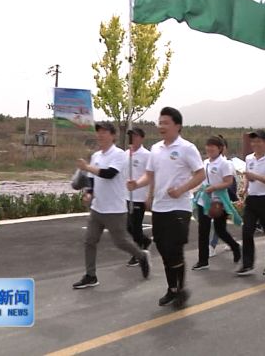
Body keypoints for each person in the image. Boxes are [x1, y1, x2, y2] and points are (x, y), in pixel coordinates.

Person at [128, 107, 205, 308]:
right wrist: (139, 185)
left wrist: (181, 189)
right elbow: (150, 175)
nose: (161, 126)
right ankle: (172, 289)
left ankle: (180, 290)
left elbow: (200, 174)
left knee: (174, 248)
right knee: (163, 248)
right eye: (159, 122)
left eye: (165, 123)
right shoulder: (155, 149)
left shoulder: (187, 148)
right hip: (160, 207)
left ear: (177, 126)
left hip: (179, 207)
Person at [73, 122, 150, 289]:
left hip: (114, 209)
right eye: (98, 132)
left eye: (104, 132)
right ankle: (90, 275)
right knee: (89, 241)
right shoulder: (96, 156)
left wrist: (87, 167)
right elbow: (93, 181)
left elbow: (109, 174)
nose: (100, 135)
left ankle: (141, 255)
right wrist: (88, 193)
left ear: (113, 135)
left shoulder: (120, 155)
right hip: (97, 208)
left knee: (121, 242)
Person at [191, 136, 242, 270]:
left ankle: (235, 247)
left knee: (220, 230)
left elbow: (228, 182)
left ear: (219, 149)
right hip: (205, 200)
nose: (209, 149)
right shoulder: (205, 162)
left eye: (212, 146)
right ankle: (203, 260)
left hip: (219, 201)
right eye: (208, 146)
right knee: (203, 231)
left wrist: (213, 188)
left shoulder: (224, 164)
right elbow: (201, 179)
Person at [237, 130, 265, 276]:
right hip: (252, 199)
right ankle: (247, 264)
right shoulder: (249, 158)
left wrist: (255, 176)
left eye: (258, 141)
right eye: (253, 141)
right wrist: (245, 187)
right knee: (247, 231)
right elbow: (247, 175)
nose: (255, 144)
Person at [125, 128, 153, 267]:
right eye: (130, 136)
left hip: (140, 196)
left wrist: (149, 196)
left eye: (135, 136)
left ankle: (137, 254)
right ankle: (145, 241)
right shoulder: (126, 154)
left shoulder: (147, 155)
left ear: (141, 138)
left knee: (136, 227)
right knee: (127, 226)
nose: (132, 138)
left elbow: (151, 176)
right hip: (127, 195)